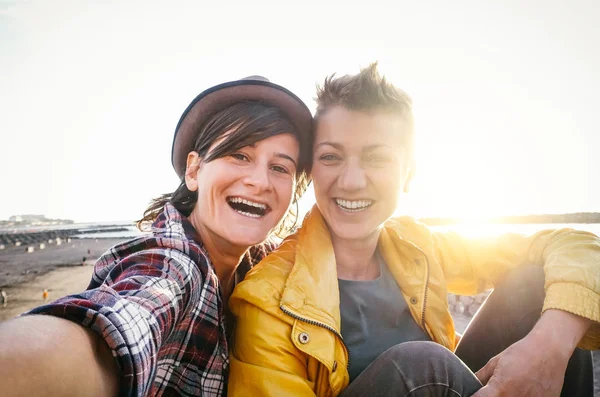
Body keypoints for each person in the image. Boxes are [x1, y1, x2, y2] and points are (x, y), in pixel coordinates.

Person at [228, 64, 599, 397]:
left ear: (408, 175)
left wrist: (548, 348)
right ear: (310, 171)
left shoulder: (417, 245)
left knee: (543, 299)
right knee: (421, 368)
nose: (353, 180)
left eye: (376, 158)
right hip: (428, 382)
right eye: (331, 156)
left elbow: (572, 244)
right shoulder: (267, 299)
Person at [0, 76, 313, 396]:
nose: (259, 181)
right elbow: (123, 323)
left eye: (280, 167)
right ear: (194, 171)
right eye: (239, 155)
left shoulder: (265, 261)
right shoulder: (175, 264)